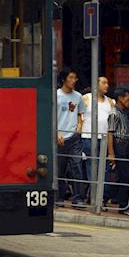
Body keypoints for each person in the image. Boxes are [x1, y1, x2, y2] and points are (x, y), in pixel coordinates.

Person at [56, 68, 88, 208]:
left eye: (75, 77)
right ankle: (59, 198)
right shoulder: (56, 95)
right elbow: (50, 117)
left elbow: (81, 114)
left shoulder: (78, 96)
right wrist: (56, 133)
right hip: (59, 137)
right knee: (60, 170)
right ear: (64, 79)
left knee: (77, 168)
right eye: (71, 77)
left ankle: (78, 199)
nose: (74, 80)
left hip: (74, 137)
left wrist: (79, 128)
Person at [106, 87, 129, 215]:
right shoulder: (114, 113)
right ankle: (125, 206)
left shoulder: (123, 112)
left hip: (126, 146)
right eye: (127, 98)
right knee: (124, 177)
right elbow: (110, 134)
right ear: (120, 98)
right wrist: (111, 153)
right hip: (120, 146)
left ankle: (115, 201)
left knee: (124, 177)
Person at [81, 76, 115, 191]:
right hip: (88, 137)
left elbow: (111, 125)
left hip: (104, 138)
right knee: (92, 165)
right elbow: (79, 117)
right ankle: (94, 194)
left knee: (104, 167)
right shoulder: (86, 98)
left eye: (107, 83)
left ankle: (101, 196)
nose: (107, 85)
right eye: (104, 83)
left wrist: (111, 151)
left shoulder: (110, 102)